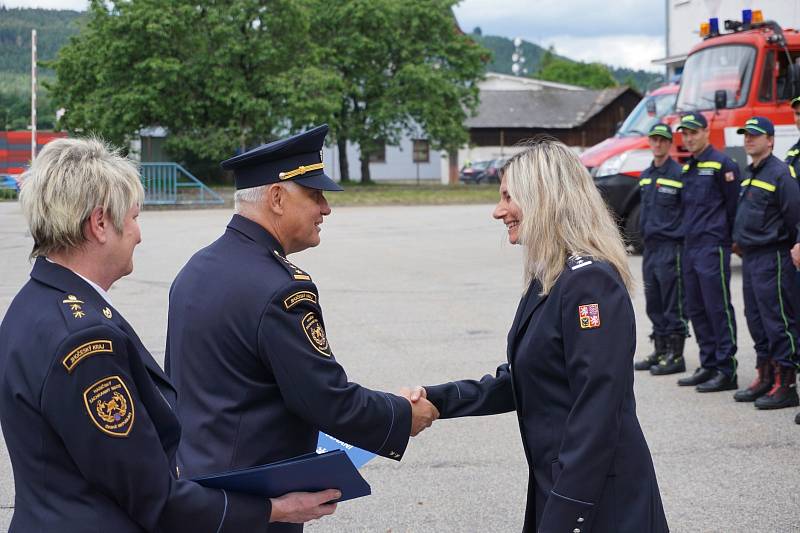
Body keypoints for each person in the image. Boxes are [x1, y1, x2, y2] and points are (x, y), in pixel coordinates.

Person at [0, 138, 339, 532]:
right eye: (133, 218)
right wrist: (275, 509)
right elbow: (154, 498)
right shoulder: (86, 343)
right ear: (99, 224)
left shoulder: (32, 305)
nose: (139, 235)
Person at [165, 125, 439, 530]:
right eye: (314, 194)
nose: (325, 208)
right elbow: (328, 400)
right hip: (255, 502)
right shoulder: (279, 288)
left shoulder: (197, 268)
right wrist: (402, 415)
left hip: (200, 495)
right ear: (276, 197)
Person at [402, 137, 668, 533]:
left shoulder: (590, 283)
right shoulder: (550, 278)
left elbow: (597, 410)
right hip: (560, 486)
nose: (498, 211)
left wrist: (565, 515)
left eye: (509, 197)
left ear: (545, 198)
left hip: (598, 501)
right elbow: (527, 377)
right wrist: (438, 400)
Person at [731, 117, 800, 411]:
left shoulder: (781, 174)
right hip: (751, 257)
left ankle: (786, 384)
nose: (749, 139)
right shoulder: (750, 174)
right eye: (746, 134)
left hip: (773, 256)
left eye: (755, 135)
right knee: (756, 319)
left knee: (777, 321)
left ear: (770, 140)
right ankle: (766, 375)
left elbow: (795, 216)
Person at [675, 113, 740, 392]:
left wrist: (730, 241)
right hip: (691, 247)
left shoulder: (723, 164)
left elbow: (734, 206)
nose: (688, 138)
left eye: (693, 132)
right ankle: (709, 363)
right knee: (696, 308)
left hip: (713, 247)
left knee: (717, 307)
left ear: (706, 131)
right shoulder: (688, 167)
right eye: (685, 133)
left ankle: (727, 369)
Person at [634, 123, 690, 375]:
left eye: (663, 140)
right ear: (650, 142)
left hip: (671, 247)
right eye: (654, 139)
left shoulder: (679, 174)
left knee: (672, 302)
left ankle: (675, 355)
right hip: (651, 248)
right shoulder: (646, 175)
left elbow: (687, 212)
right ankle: (660, 348)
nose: (658, 144)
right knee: (654, 301)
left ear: (669, 143)